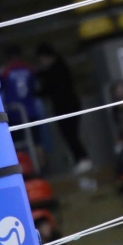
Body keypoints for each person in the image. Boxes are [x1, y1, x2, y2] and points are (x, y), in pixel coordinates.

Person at [34, 43, 93, 174]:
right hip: (64, 106)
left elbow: (48, 88)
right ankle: (80, 159)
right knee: (69, 135)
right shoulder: (54, 68)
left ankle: (83, 159)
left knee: (71, 134)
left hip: (67, 105)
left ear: (46, 56)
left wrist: (34, 93)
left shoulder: (57, 69)